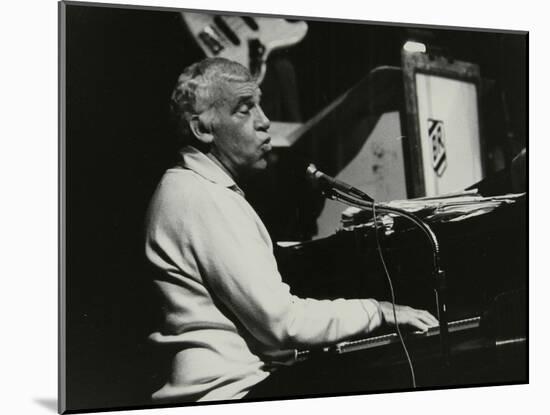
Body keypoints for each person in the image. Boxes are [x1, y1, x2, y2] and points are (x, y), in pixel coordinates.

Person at [144, 57, 438, 403]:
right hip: (230, 393)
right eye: (244, 109)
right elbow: (283, 324)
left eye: (260, 105)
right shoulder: (200, 197)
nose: (265, 121)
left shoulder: (199, 189)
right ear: (203, 129)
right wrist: (377, 310)